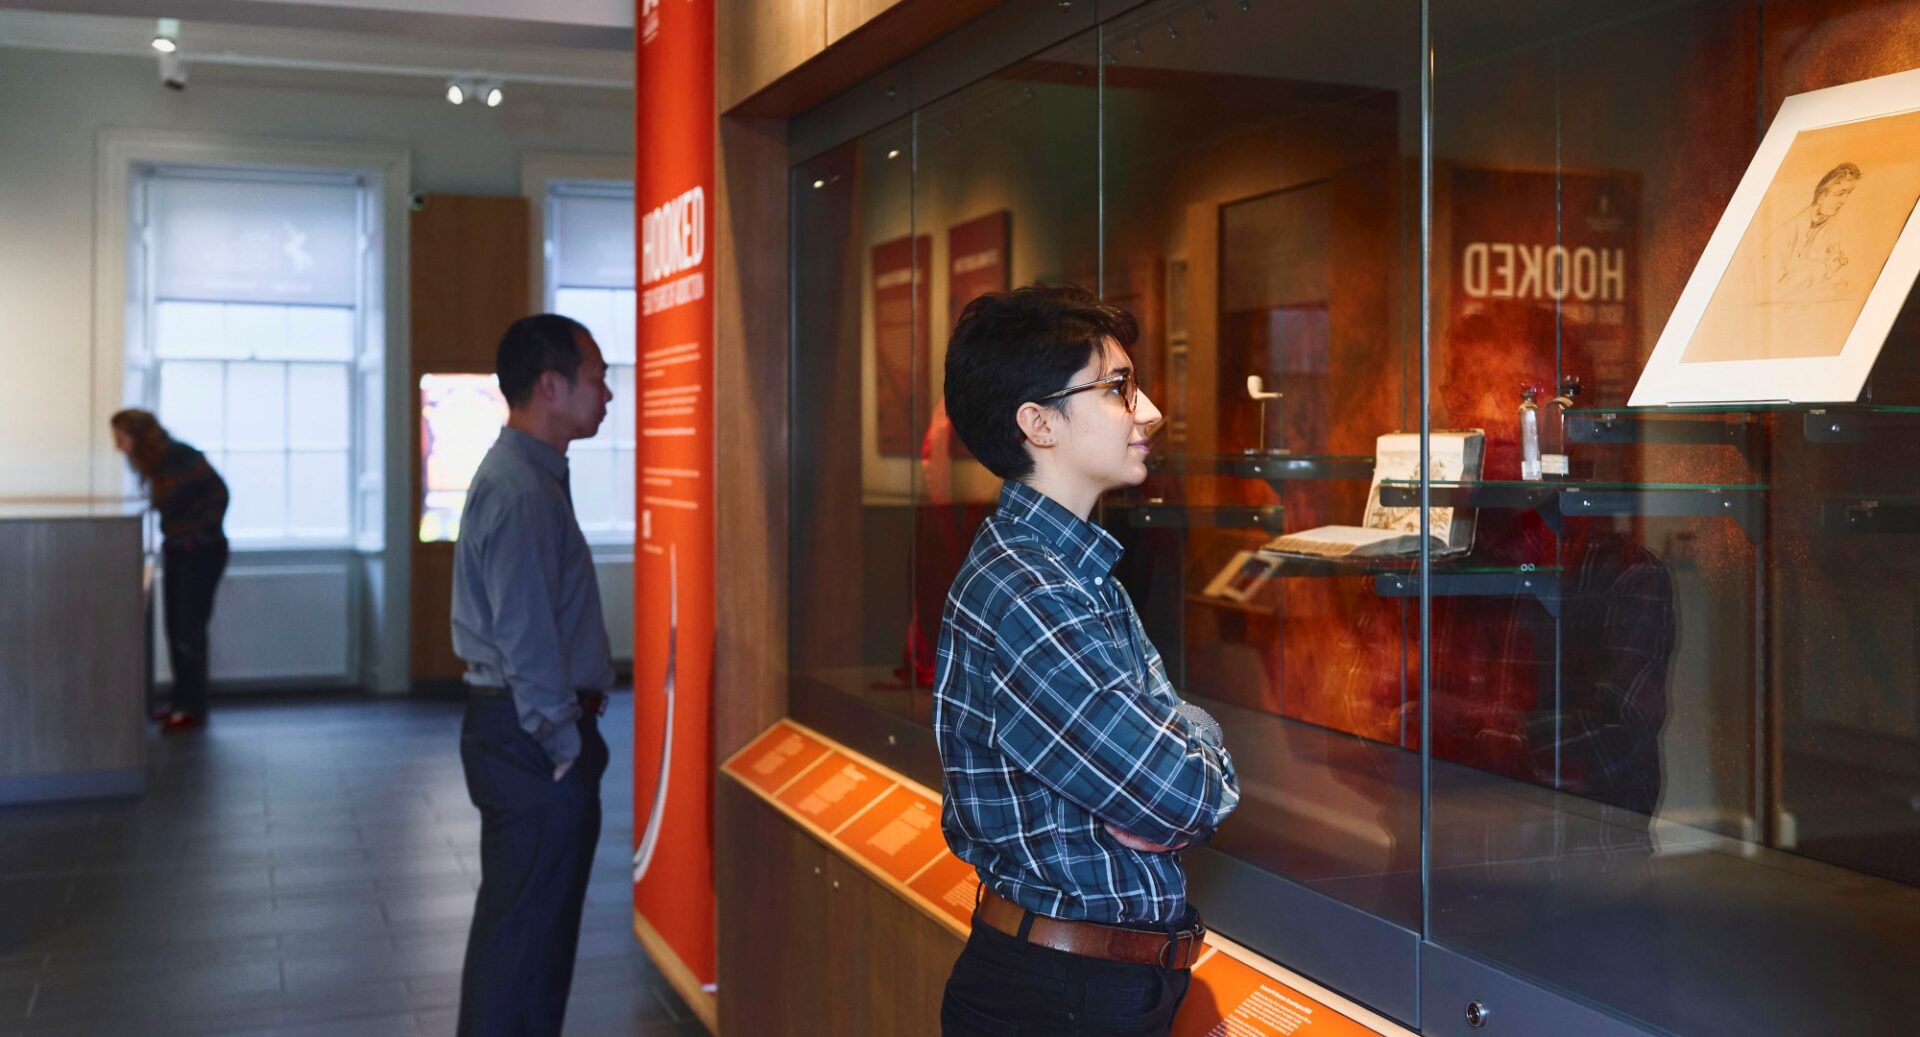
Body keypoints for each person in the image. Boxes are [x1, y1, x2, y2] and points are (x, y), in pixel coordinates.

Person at [933, 283, 1240, 1037]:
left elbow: (1173, 751)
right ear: (1037, 422)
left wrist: (1182, 733)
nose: (1150, 413)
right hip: (1062, 995)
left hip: (1089, 986)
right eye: (1117, 389)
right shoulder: (1030, 591)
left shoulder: (1070, 570)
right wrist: (1190, 745)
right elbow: (1186, 793)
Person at [451, 314, 615, 1037]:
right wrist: (561, 743)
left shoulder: (533, 476)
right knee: (522, 943)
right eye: (599, 376)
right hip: (529, 741)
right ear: (551, 385)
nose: (608, 393)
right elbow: (526, 636)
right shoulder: (520, 489)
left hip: (529, 735)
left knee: (531, 937)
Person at [111, 408, 228, 734]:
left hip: (200, 552)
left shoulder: (179, 456)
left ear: (137, 435)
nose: (118, 446)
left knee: (187, 630)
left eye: (121, 437)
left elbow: (220, 493)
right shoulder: (158, 463)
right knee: (177, 628)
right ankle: (182, 703)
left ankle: (191, 707)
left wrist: (199, 534)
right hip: (179, 550)